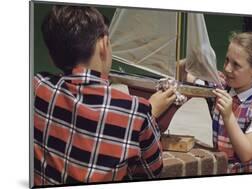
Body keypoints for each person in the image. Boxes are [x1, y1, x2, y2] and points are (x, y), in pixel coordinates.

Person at [33, 5, 176, 186]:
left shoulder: (37, 88)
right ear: (103, 44)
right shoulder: (136, 112)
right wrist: (150, 113)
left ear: (51, 57)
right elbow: (152, 170)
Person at [184, 32, 252, 173]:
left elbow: (247, 153)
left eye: (236, 65)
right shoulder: (221, 85)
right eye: (227, 60)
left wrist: (228, 116)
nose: (228, 68)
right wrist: (193, 60)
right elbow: (187, 76)